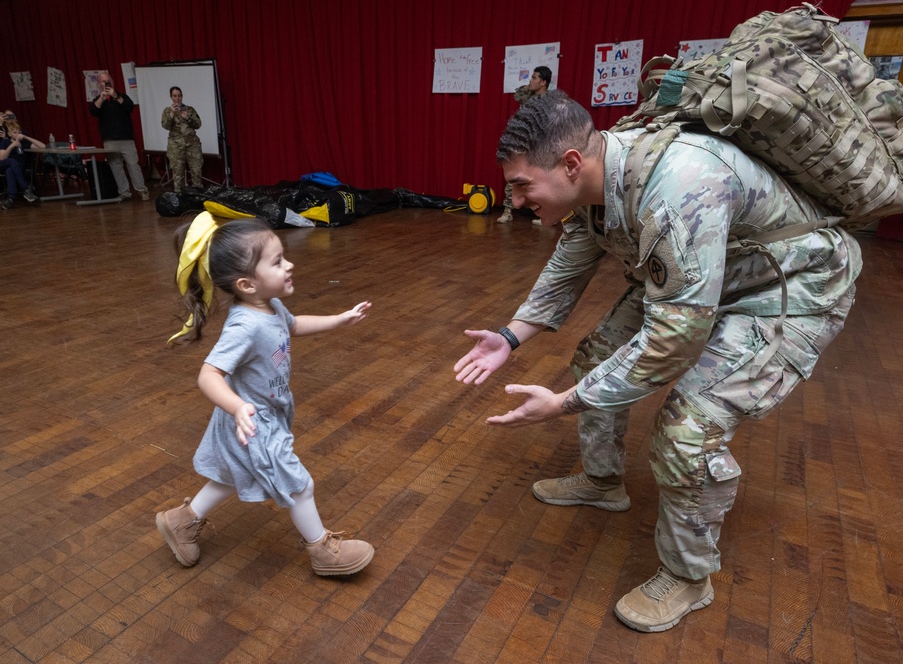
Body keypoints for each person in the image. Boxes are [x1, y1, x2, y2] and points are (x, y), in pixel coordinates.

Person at [454, 90, 861, 632]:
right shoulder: (594, 189)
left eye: (523, 185)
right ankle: (603, 483)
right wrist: (510, 336)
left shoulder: (679, 187)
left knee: (688, 427)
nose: (518, 200)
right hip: (711, 279)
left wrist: (564, 404)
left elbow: (675, 339)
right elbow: (569, 265)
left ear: (571, 163)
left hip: (788, 287)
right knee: (599, 354)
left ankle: (689, 576)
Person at [156, 212, 375, 576]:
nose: (290, 265)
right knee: (300, 485)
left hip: (262, 416)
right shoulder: (244, 325)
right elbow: (208, 375)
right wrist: (239, 406)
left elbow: (292, 326)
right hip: (252, 423)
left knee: (231, 475)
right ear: (247, 284)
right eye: (277, 262)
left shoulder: (270, 306)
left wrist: (338, 319)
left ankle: (182, 521)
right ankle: (323, 552)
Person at [497, 66, 551, 224]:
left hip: (540, 146)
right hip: (522, 143)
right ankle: (507, 211)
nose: (531, 80)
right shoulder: (529, 96)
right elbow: (516, 96)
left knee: (543, 180)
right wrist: (529, 87)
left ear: (543, 82)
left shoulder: (550, 102)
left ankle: (545, 214)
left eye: (534, 78)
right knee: (515, 177)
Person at [88, 72, 149, 201]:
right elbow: (93, 111)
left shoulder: (122, 96)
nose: (106, 83)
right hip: (109, 140)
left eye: (108, 81)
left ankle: (142, 190)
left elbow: (129, 107)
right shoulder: (99, 99)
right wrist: (102, 98)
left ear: (113, 81)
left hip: (126, 138)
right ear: (99, 84)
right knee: (116, 167)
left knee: (133, 165)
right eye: (103, 82)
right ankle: (124, 192)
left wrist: (115, 96)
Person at [160, 86, 204, 192]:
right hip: (176, 145)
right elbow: (166, 126)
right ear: (171, 97)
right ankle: (179, 196)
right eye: (175, 96)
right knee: (178, 172)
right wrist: (171, 115)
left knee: (196, 170)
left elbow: (198, 124)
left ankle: (197, 196)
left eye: (179, 96)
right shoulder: (167, 111)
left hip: (192, 144)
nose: (177, 98)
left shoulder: (189, 109)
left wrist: (187, 118)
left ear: (182, 96)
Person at [0, 119, 43, 208]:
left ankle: (11, 199)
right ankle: (26, 189)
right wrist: (12, 146)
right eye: (15, 132)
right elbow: (2, 158)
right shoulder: (5, 142)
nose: (18, 134)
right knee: (12, 161)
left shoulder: (24, 142)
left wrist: (26, 137)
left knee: (10, 170)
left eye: (19, 132)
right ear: (10, 134)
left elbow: (42, 146)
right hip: (3, 164)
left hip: (17, 168)